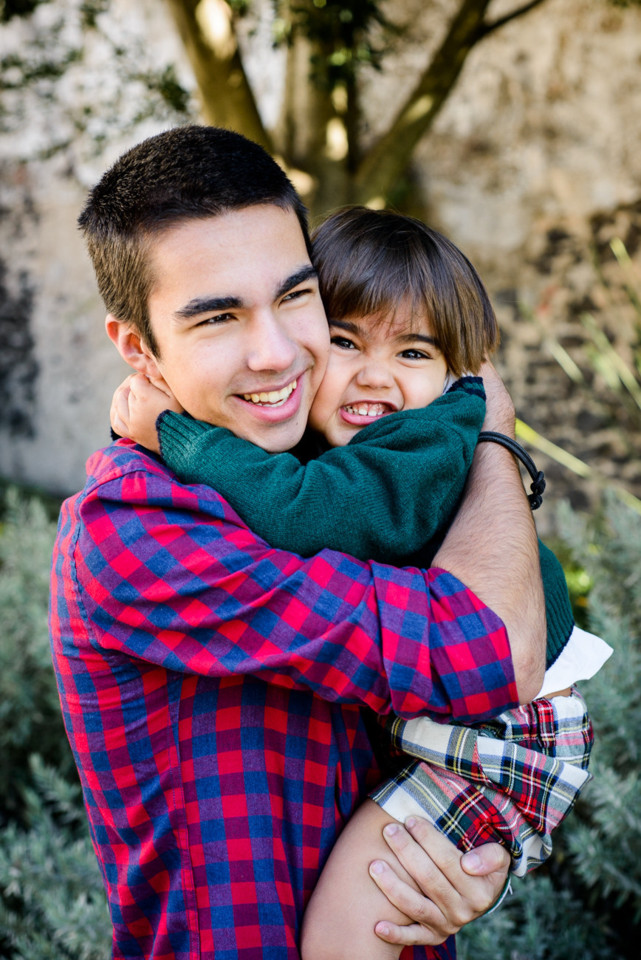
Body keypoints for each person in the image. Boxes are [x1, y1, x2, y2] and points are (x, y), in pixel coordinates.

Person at [49, 125, 547, 960]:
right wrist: (492, 436)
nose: (278, 354)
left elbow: (428, 750)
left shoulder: (327, 470)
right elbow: (487, 651)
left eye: (295, 297)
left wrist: (467, 858)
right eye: (216, 318)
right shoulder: (133, 535)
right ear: (140, 351)